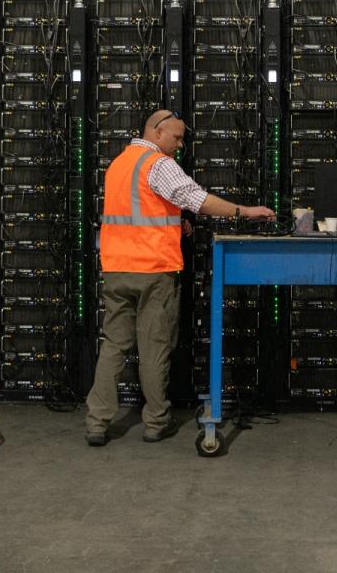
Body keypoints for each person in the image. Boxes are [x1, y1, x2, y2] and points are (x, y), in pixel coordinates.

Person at [84, 108, 275, 446]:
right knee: (154, 348)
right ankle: (156, 422)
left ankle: (96, 423)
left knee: (113, 346)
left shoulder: (118, 164)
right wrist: (244, 212)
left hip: (116, 269)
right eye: (176, 136)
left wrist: (176, 223)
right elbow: (196, 199)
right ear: (157, 132)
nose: (180, 143)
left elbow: (137, 209)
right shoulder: (158, 164)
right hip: (153, 271)